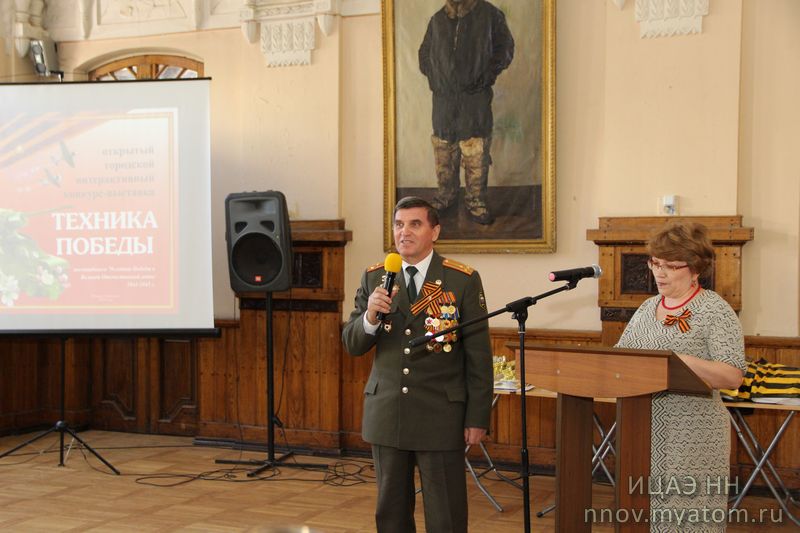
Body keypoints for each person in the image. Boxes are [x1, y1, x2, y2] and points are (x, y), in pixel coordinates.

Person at [342, 196, 493, 532]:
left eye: (414, 224)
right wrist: (370, 315)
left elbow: (478, 356)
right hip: (388, 411)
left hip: (440, 414)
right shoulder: (376, 279)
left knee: (446, 515)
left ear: (434, 231)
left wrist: (477, 416)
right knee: (391, 513)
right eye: (398, 224)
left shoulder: (461, 280)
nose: (404, 232)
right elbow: (352, 344)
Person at [615, 222, 746, 532]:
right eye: (655, 263)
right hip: (642, 431)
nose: (660, 272)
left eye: (671, 266)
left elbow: (732, 375)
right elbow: (619, 360)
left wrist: (681, 361)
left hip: (694, 435)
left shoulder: (715, 309)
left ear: (696, 268)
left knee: (690, 521)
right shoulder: (647, 309)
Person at [418, 0, 514, 225]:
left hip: (475, 100)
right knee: (444, 147)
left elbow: (505, 49)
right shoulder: (438, 20)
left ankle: (475, 201)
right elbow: (424, 54)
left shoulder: (490, 15)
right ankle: (446, 196)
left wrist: (485, 77)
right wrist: (436, 79)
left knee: (475, 149)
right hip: (443, 101)